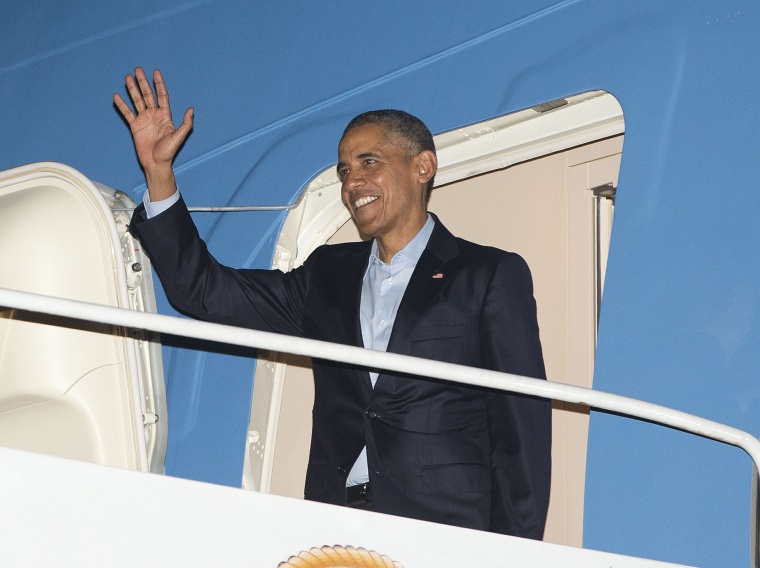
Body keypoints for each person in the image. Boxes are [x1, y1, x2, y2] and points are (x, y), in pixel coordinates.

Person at [115, 67, 552, 539]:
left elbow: (521, 428)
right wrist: (159, 175)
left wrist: (515, 553)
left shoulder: (487, 274)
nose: (352, 182)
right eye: (345, 170)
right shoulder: (327, 275)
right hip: (335, 526)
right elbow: (204, 292)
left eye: (369, 162)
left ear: (423, 166)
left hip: (445, 531)